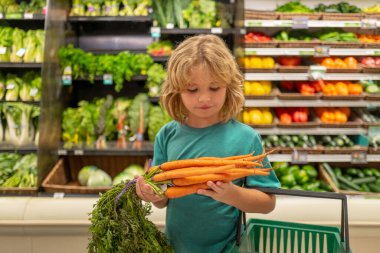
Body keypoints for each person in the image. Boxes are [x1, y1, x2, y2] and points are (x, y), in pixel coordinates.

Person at [136, 34, 280, 253]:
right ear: (176, 90)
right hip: (175, 248)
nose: (204, 98)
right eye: (192, 90)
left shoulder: (245, 138)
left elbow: (268, 203)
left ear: (229, 86)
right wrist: (153, 196)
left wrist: (231, 194)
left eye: (214, 88)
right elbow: (163, 199)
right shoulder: (167, 135)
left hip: (227, 248)